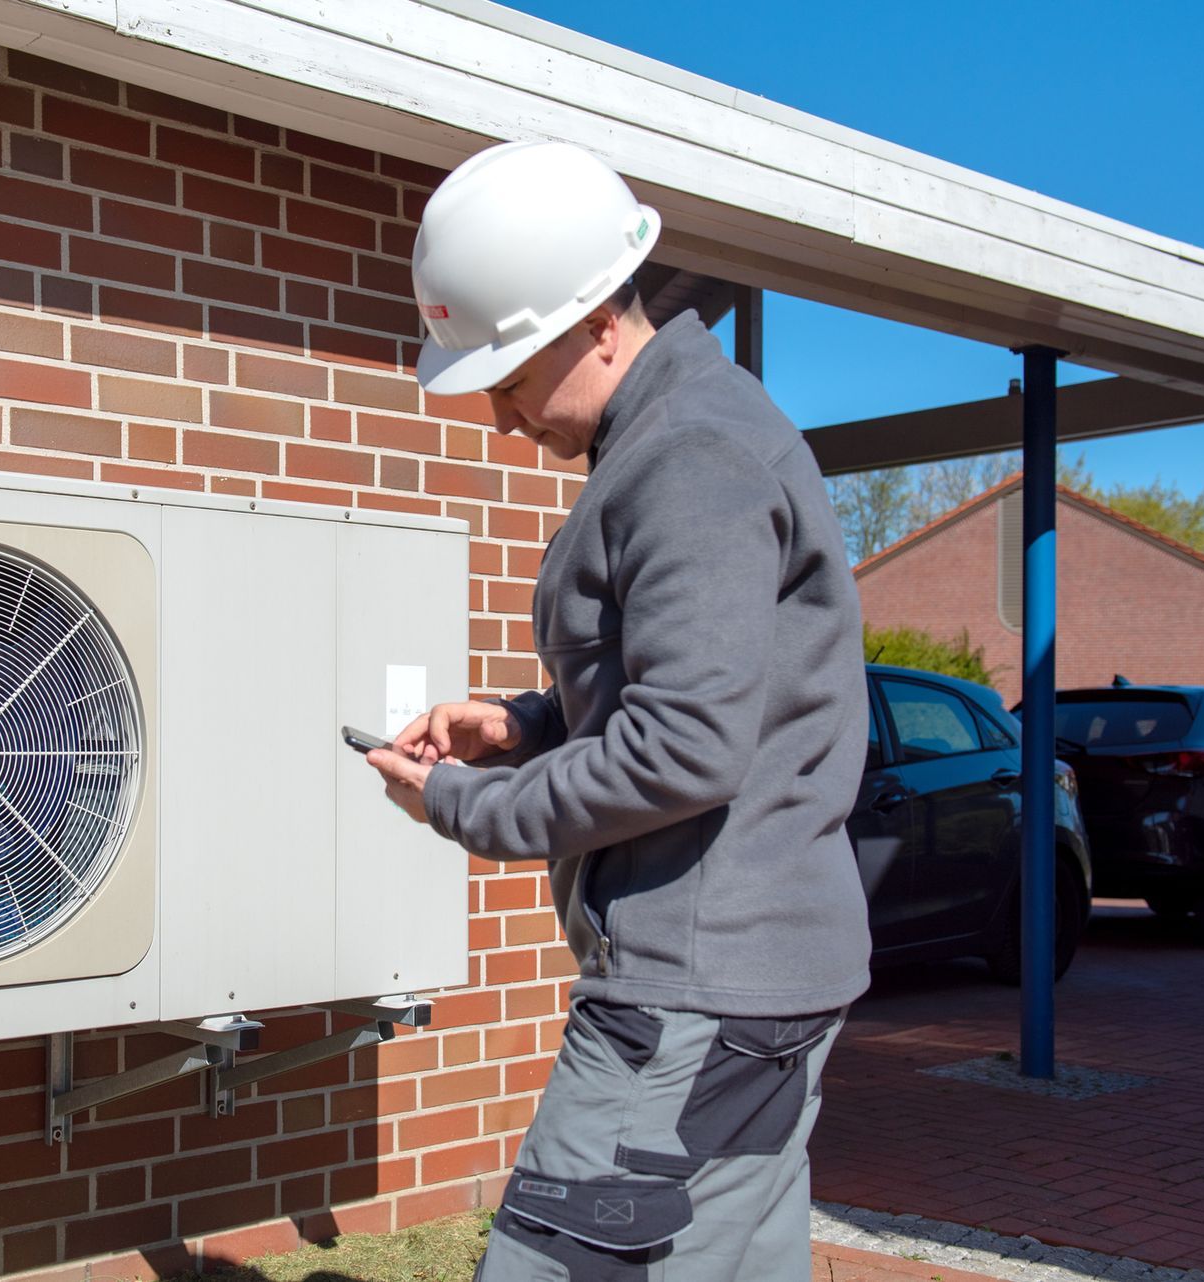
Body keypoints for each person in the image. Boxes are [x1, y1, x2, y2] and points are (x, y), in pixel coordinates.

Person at [363, 139, 872, 1281]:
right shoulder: (687, 433)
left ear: (597, 321)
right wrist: (525, 723)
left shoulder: (689, 456)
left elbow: (686, 746)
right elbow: (704, 688)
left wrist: (462, 804)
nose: (498, 414)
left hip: (696, 988)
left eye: (508, 376)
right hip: (753, 974)